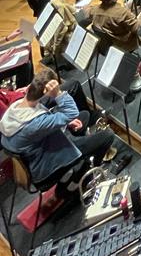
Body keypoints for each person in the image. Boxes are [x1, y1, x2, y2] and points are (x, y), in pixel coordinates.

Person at [0, 68, 114, 197]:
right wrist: (58, 94)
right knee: (107, 136)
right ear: (46, 92)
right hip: (46, 168)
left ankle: (72, 172)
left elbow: (39, 117)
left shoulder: (16, 107)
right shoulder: (34, 124)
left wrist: (64, 122)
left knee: (84, 116)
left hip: (36, 154)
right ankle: (82, 178)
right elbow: (71, 113)